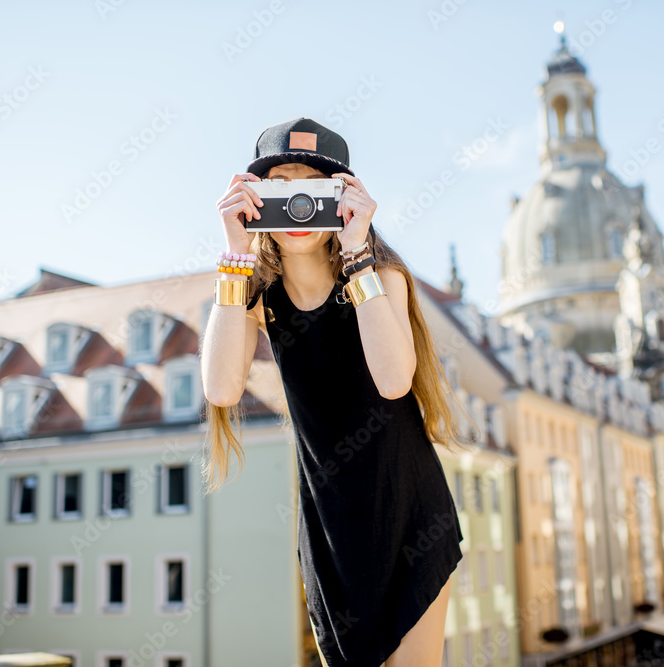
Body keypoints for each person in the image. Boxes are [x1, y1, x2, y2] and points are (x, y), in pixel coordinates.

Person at [200, 117, 471, 667]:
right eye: (280, 189)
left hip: (409, 515)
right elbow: (221, 388)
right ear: (253, 198)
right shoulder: (257, 292)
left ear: (344, 198)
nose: (298, 207)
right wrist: (235, 253)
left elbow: (395, 381)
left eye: (312, 189)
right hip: (328, 527)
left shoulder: (379, 276)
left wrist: (357, 253)